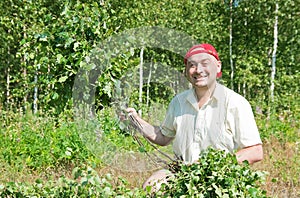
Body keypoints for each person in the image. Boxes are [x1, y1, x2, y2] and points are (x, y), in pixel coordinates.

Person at [126, 43, 263, 191]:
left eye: (205, 63)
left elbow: (255, 151)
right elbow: (163, 137)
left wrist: (212, 166)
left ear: (218, 66)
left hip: (219, 176)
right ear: (186, 71)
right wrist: (136, 120)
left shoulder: (235, 103)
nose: (198, 70)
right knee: (152, 187)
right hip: (181, 171)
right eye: (192, 65)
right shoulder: (178, 102)